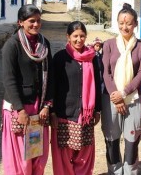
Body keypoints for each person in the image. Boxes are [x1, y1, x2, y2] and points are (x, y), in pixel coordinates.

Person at [1, 4, 52, 175]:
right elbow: (9, 79)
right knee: (20, 158)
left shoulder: (44, 45)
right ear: (20, 22)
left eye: (38, 21)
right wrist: (20, 109)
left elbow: (49, 76)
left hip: (38, 108)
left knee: (36, 153)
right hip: (20, 108)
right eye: (31, 21)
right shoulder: (12, 46)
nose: (36, 25)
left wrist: (47, 105)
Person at [101, 3, 141, 175]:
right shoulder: (108, 45)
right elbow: (106, 73)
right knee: (111, 140)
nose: (124, 26)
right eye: (121, 23)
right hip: (111, 99)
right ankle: (114, 171)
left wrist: (124, 93)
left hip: (133, 99)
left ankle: (130, 171)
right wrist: (116, 96)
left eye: (128, 23)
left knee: (132, 140)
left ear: (135, 24)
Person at [49, 21, 102, 175]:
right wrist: (52, 111)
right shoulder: (60, 58)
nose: (79, 40)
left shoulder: (92, 58)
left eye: (82, 36)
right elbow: (52, 85)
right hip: (64, 114)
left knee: (84, 156)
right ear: (68, 37)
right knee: (63, 157)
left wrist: (97, 110)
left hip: (85, 116)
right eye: (75, 36)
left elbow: (97, 85)